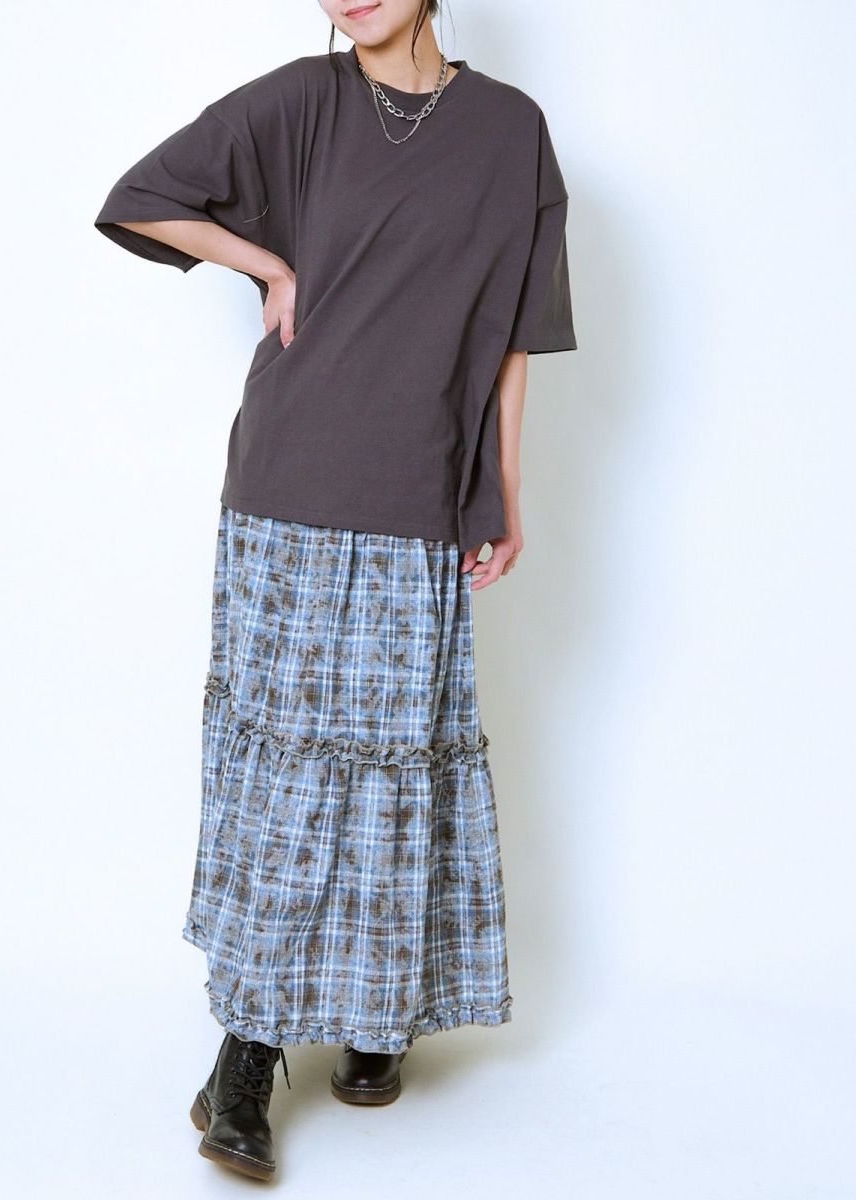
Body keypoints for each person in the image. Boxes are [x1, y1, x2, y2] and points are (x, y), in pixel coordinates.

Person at [93, 0, 576, 1181]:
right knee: (291, 778)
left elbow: (513, 330)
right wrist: (268, 263)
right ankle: (246, 1054)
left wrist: (504, 487)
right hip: (293, 476)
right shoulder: (303, 104)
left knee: (397, 761)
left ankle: (375, 1012)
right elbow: (141, 196)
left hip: (422, 482)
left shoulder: (511, 130)